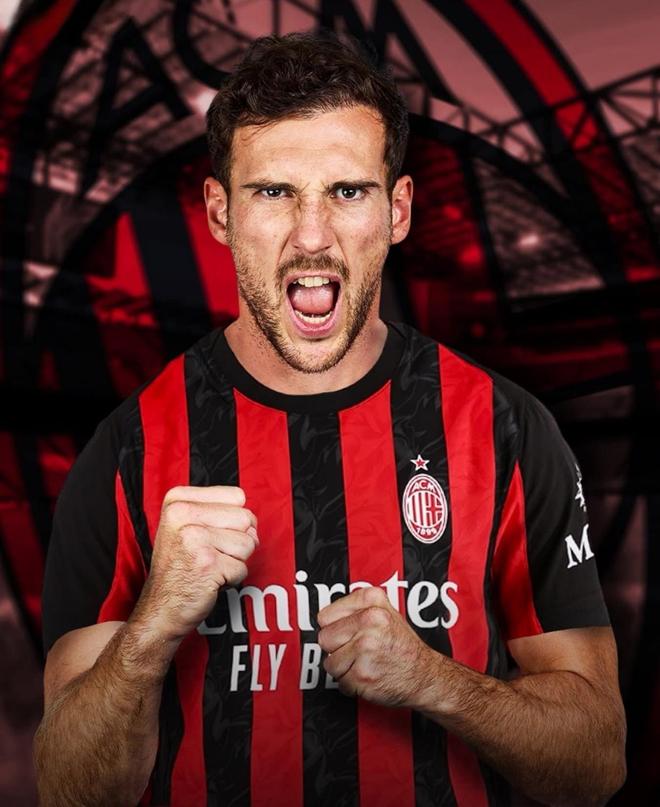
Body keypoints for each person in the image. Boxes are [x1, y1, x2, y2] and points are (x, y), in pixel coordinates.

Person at [34, 29, 626, 807]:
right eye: (273, 192)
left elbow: (597, 762)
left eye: (347, 191)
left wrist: (435, 680)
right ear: (219, 212)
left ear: (398, 209)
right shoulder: (129, 450)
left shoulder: (505, 428)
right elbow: (66, 788)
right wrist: (152, 627)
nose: (311, 237)